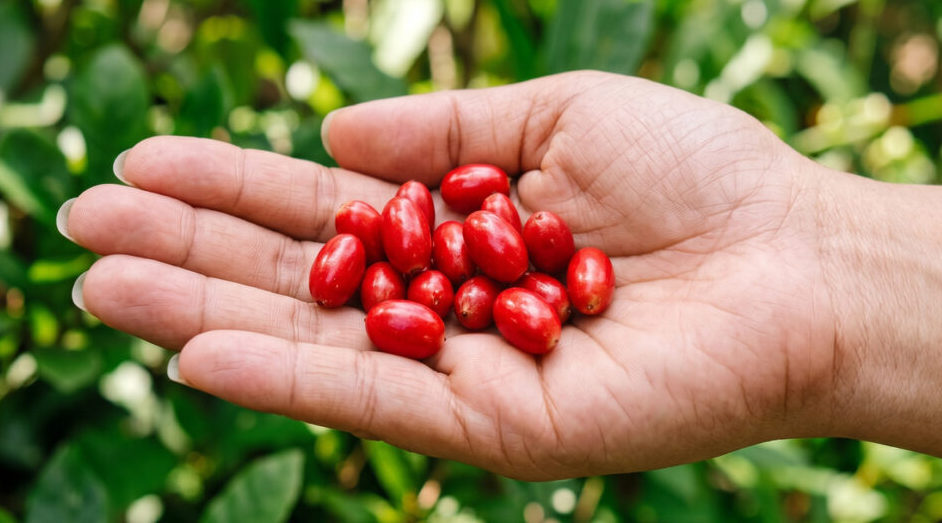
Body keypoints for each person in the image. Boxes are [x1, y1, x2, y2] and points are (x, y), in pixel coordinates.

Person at [56, 71, 942, 481]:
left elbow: (476, 262)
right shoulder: (450, 262)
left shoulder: (490, 259)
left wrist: (818, 256)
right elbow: (440, 266)